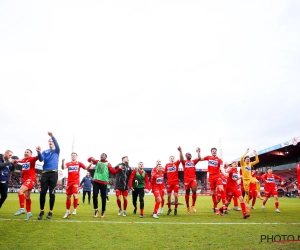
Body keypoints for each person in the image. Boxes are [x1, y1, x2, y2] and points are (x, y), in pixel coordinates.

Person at [87, 154, 123, 218]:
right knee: (94, 196)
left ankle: (103, 210)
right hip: (96, 181)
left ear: (106, 157)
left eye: (103, 155)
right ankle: (96, 209)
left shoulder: (108, 164)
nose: (101, 156)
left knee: (103, 197)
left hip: (103, 182)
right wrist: (92, 158)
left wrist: (119, 168)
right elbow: (88, 160)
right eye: (101, 155)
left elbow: (113, 172)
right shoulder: (97, 162)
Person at [36, 132, 60, 220]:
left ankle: (50, 211)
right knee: (42, 193)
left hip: (53, 173)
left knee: (52, 193)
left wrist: (52, 136)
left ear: (53, 142)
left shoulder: (57, 151)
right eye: (49, 141)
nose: (50, 142)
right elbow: (41, 159)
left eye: (52, 141)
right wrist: (38, 152)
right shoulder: (45, 151)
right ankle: (42, 211)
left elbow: (57, 145)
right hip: (45, 173)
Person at [13, 149, 39, 220]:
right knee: (27, 197)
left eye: (27, 152)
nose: (26, 153)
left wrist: (39, 152)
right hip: (25, 180)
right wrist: (15, 161)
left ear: (31, 154)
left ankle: (21, 209)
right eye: (25, 152)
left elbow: (38, 157)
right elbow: (19, 160)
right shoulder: (23, 160)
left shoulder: (32, 159)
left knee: (20, 191)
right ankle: (29, 213)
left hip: (30, 179)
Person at [200, 147, 226, 215]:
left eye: (215, 151)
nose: (214, 152)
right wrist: (198, 152)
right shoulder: (208, 157)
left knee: (222, 189)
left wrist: (224, 173)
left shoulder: (219, 160)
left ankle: (224, 206)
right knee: (213, 193)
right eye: (213, 151)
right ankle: (216, 207)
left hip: (217, 176)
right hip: (211, 177)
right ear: (211, 152)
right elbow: (200, 159)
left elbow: (221, 167)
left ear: (216, 152)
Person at [62, 153, 88, 218]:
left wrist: (90, 163)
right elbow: (63, 168)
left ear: (76, 157)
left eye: (74, 155)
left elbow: (86, 168)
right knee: (68, 197)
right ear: (71, 156)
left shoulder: (79, 163)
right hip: (69, 182)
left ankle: (74, 209)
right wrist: (62, 162)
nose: (73, 156)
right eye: (72, 155)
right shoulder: (68, 163)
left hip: (76, 181)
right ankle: (67, 211)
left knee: (75, 194)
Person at [178, 146, 200, 214]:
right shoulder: (184, 162)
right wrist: (180, 151)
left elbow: (199, 158)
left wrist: (198, 151)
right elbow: (181, 159)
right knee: (187, 192)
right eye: (188, 154)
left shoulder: (193, 162)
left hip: (193, 179)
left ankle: (193, 205)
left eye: (190, 154)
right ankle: (187, 207)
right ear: (186, 156)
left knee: (194, 191)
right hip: (187, 180)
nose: (189, 155)